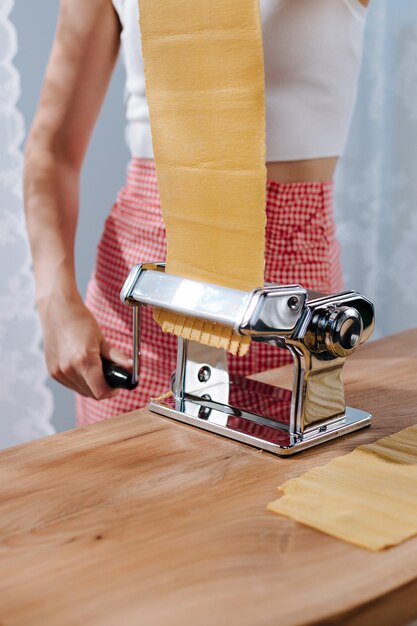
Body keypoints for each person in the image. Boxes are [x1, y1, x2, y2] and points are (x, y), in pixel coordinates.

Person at [24, 0, 369, 426]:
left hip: (287, 319)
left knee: (291, 490)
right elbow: (52, 151)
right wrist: (54, 303)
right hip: (140, 312)